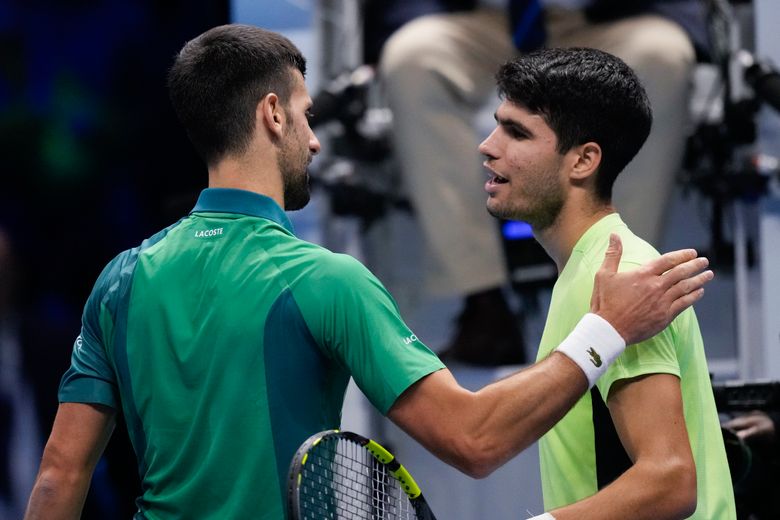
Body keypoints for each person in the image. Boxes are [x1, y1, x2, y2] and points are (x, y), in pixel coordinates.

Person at [23, 25, 714, 520]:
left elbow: (59, 475)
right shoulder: (325, 281)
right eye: (305, 115)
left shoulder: (119, 278)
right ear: (271, 115)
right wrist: (604, 332)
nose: (316, 138)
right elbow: (474, 440)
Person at [478, 47, 735, 519]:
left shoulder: (618, 274)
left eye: (516, 132)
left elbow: (669, 479)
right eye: (497, 124)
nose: (488, 145)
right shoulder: (587, 270)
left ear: (583, 161)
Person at [376, 0, 708, 364]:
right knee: (411, 60)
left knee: (662, 55)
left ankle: (611, 289)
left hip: (599, 19)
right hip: (482, 19)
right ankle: (483, 304)